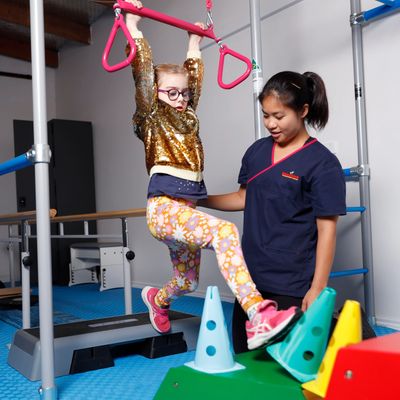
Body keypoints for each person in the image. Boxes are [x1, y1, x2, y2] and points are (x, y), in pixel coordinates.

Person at [125, 0, 301, 350]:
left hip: (184, 213)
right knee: (224, 231)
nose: (179, 99)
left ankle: (157, 300)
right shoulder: (152, 118)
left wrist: (194, 45)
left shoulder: (187, 117)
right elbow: (143, 75)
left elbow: (195, 85)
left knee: (186, 280)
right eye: (170, 93)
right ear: (155, 96)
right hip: (163, 210)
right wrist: (133, 28)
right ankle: (258, 313)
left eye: (183, 93)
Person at [199, 71, 346, 353]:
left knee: (284, 370)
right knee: (244, 359)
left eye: (279, 116)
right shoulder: (256, 152)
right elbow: (243, 197)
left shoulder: (323, 164)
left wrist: (317, 288)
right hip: (248, 281)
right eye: (266, 115)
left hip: (291, 283)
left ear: (303, 111)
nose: (270, 124)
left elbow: (327, 229)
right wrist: (197, 200)